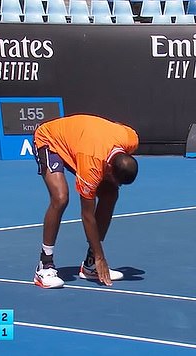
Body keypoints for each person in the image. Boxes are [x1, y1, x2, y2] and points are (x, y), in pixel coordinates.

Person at [32, 114, 139, 289]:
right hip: (50, 139)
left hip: (83, 142)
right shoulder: (91, 165)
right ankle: (44, 265)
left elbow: (117, 123)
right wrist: (100, 256)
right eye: (117, 179)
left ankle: (90, 265)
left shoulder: (131, 139)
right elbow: (87, 215)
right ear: (109, 169)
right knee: (60, 198)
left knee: (111, 193)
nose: (118, 184)